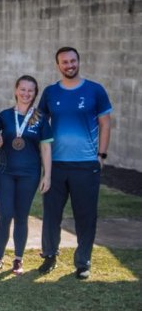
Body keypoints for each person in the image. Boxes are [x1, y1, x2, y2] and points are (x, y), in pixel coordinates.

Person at [37, 47, 111, 279]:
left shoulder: (95, 90)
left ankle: (83, 262)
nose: (69, 65)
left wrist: (102, 156)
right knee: (51, 214)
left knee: (85, 215)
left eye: (73, 61)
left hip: (86, 165)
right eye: (64, 62)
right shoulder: (50, 92)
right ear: (57, 65)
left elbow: (105, 124)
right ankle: (49, 255)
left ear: (79, 61)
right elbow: (39, 123)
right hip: (56, 165)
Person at [0, 75, 53, 276]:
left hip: (30, 174)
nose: (26, 94)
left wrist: (47, 175)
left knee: (21, 216)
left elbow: (45, 148)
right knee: (5, 215)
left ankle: (18, 259)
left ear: (35, 93)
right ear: (16, 90)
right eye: (23, 89)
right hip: (5, 172)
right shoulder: (4, 116)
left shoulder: (40, 118)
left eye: (31, 90)